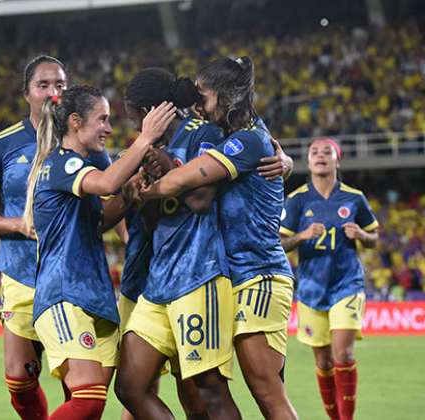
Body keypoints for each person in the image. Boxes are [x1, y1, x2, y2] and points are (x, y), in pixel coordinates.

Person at [139, 56, 299, 419]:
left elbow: (184, 181)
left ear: (227, 96)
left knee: (266, 390)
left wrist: (140, 191)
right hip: (235, 277)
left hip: (257, 274)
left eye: (204, 95)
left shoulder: (246, 141)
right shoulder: (239, 136)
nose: (198, 104)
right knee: (253, 388)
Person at [0, 56, 113, 419]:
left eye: (60, 85)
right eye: (44, 85)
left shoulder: (88, 144)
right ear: (27, 93)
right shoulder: (3, 145)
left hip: (72, 273)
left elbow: (111, 199)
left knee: (80, 387)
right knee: (20, 380)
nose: (53, 92)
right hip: (21, 274)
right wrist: (17, 224)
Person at [23, 85, 175, 419]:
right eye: (102, 119)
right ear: (76, 122)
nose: (108, 128)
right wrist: (145, 138)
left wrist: (129, 197)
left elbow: (98, 219)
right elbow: (106, 184)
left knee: (92, 409)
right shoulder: (61, 164)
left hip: (96, 297)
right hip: (64, 294)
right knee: (88, 398)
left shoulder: (78, 166)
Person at [113, 66, 243, 420]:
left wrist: (168, 167)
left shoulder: (204, 135)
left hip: (199, 274)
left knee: (208, 391)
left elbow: (202, 199)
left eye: (135, 118)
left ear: (150, 111)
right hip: (158, 283)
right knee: (129, 386)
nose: (135, 128)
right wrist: (140, 193)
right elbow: (154, 220)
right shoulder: (145, 149)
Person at [278, 137, 379, 420]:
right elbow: (280, 243)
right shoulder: (297, 200)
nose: (320, 155)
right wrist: (302, 236)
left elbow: (374, 238)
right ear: (308, 161)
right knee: (323, 361)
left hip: (347, 284)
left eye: (327, 152)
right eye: (314, 152)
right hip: (311, 289)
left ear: (337, 160)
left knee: (342, 355)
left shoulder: (354, 197)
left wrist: (362, 235)